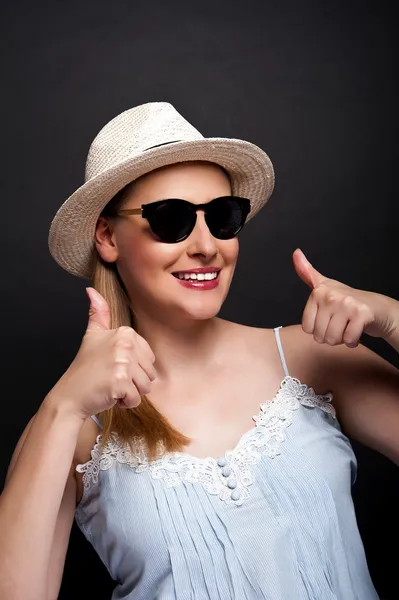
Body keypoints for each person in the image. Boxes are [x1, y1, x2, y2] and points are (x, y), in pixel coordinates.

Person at [1, 102, 398, 600]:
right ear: (107, 236)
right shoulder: (76, 426)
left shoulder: (311, 359)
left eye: (223, 216)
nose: (207, 245)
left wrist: (394, 319)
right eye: (171, 220)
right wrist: (63, 407)